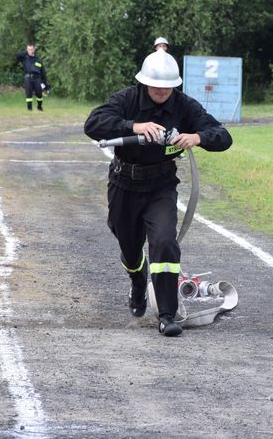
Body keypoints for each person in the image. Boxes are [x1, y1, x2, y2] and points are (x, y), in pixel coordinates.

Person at [84, 50, 232, 336]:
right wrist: (133, 126)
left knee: (164, 242)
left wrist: (198, 137)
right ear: (144, 83)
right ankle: (138, 280)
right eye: (156, 86)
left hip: (161, 186)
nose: (162, 91)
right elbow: (93, 124)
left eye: (168, 87)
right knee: (129, 247)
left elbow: (223, 136)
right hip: (124, 184)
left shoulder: (184, 106)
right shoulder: (126, 99)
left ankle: (167, 314)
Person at [15, 42, 49, 111]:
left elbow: (43, 72)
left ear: (34, 50)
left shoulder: (38, 60)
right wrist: (26, 52)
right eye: (28, 49)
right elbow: (17, 54)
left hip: (37, 78)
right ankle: (29, 109)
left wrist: (45, 83)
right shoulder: (24, 58)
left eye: (31, 49)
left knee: (39, 94)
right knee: (29, 94)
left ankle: (39, 107)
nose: (30, 51)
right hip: (28, 78)